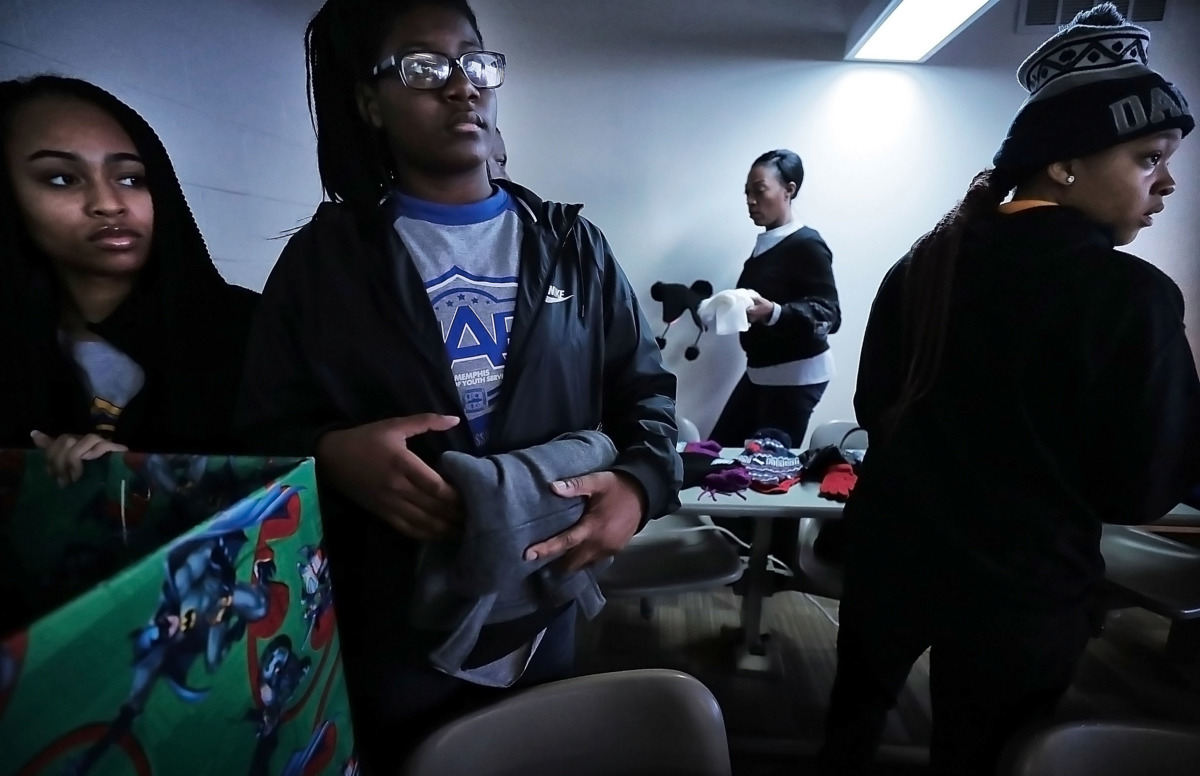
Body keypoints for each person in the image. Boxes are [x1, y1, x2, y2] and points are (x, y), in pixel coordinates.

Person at [235, 0, 681, 771]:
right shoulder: (325, 263)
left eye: (474, 62)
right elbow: (256, 434)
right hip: (393, 622)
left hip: (546, 606)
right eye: (422, 67)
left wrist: (639, 488)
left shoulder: (575, 248)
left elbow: (646, 398)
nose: (461, 86)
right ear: (371, 101)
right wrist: (332, 454)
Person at [819, 6, 1200, 775]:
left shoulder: (921, 264)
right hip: (1023, 591)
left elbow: (874, 413)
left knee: (848, 734)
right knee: (980, 758)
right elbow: (1142, 489)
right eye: (1148, 157)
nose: (1167, 183)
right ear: (1064, 163)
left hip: (892, 560)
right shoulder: (1133, 297)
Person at [0, 76, 258, 483]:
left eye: (130, 178)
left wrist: (148, 480)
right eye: (62, 178)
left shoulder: (255, 330)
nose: (108, 204)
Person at [709, 148, 840, 568]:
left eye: (759, 190)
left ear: (789, 190)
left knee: (770, 473)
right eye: (746, 192)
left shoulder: (807, 244)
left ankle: (775, 569)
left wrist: (775, 312)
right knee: (719, 454)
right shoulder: (769, 243)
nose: (750, 200)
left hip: (797, 377)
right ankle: (750, 558)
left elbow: (829, 314)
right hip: (764, 374)